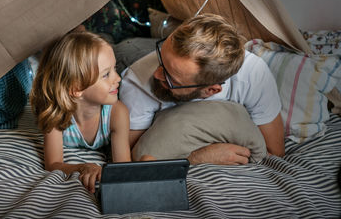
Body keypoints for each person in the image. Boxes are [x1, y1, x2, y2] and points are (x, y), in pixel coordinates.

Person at [119, 13, 285, 165]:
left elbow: (275, 153)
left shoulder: (254, 76)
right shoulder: (136, 81)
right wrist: (195, 159)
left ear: (211, 91)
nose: (157, 74)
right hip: (130, 54)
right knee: (123, 49)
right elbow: (130, 163)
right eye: (161, 58)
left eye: (171, 78)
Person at [30, 31, 131, 193]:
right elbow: (53, 164)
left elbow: (124, 169)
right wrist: (84, 167)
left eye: (115, 69)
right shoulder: (55, 112)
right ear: (77, 88)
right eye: (106, 74)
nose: (118, 78)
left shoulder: (117, 114)